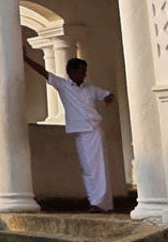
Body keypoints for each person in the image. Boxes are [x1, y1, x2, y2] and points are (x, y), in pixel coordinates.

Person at [23, 52, 115, 212]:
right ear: (72, 72)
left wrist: (109, 98)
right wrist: (26, 58)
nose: (84, 75)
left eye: (85, 71)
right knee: (89, 168)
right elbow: (43, 72)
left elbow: (107, 94)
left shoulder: (90, 88)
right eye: (81, 71)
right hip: (82, 132)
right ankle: (95, 202)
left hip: (95, 130)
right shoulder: (63, 85)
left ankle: (104, 204)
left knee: (101, 167)